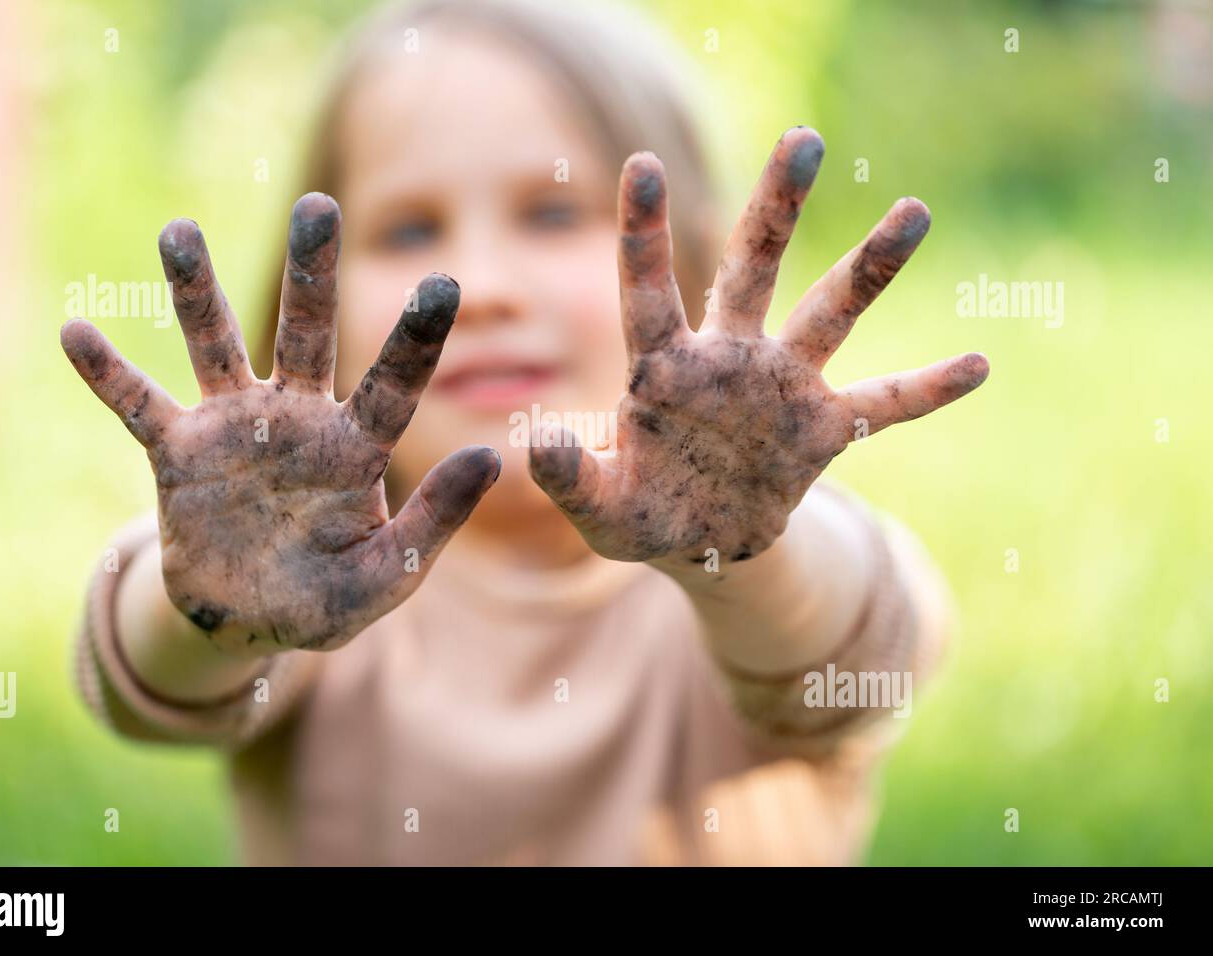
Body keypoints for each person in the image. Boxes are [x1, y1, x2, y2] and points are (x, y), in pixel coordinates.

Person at [61, 0, 989, 865]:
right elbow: (152, 686)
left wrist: (737, 556)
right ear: (315, 312)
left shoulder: (759, 582)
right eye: (409, 229)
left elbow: (866, 641)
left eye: (551, 212)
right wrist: (206, 610)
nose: (485, 283)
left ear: (700, 274)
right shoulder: (316, 591)